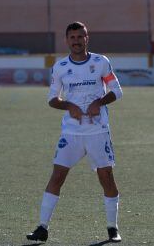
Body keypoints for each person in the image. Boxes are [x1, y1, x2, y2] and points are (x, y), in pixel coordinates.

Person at [26, 22, 123, 243]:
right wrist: (69, 106)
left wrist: (100, 101)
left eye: (80, 36)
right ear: (66, 40)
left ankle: (112, 227)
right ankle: (42, 228)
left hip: (98, 131)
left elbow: (117, 91)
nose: (76, 41)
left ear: (87, 38)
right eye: (72, 37)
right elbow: (52, 99)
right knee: (57, 176)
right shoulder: (59, 67)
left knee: (106, 177)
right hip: (71, 133)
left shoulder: (101, 62)